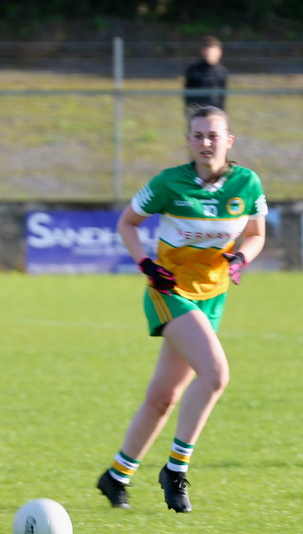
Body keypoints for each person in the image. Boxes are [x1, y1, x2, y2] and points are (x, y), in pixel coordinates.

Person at [97, 106, 266, 513]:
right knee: (216, 374)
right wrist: (146, 264)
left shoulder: (246, 183)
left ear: (229, 141)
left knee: (163, 396)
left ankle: (117, 475)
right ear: (188, 141)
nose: (205, 142)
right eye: (198, 135)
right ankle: (176, 469)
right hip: (169, 292)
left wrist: (241, 258)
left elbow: (256, 233)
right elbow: (127, 223)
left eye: (213, 135)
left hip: (213, 297)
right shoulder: (168, 183)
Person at [183, 36, 228, 113]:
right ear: (202, 51)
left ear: (219, 52)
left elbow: (222, 96)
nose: (209, 53)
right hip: (197, 111)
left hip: (215, 111)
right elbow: (188, 93)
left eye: (212, 50)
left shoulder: (222, 71)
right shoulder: (193, 70)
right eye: (207, 50)